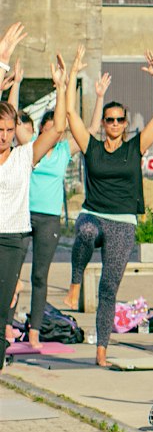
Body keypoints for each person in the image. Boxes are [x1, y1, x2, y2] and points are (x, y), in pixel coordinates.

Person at [60, 46, 153, 366]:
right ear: (104, 123)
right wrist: (74, 75)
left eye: (121, 120)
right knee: (86, 232)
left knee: (109, 286)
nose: (116, 124)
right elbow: (69, 115)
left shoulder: (135, 146)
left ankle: (102, 350)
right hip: (93, 213)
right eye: (111, 120)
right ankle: (75, 283)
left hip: (123, 222)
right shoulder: (90, 146)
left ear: (125, 123)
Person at [0, 25, 66, 353]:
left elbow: (60, 130)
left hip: (14, 237)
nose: (3, 135)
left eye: (8, 130)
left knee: (3, 309)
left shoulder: (25, 156)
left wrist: (62, 87)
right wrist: (2, 60)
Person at [24, 80, 76, 349]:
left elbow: (82, 127)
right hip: (22, 215)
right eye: (48, 130)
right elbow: (12, 118)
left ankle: (35, 329)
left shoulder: (64, 151)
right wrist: (17, 82)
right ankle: (7, 325)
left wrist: (66, 87)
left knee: (40, 276)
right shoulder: (31, 146)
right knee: (9, 274)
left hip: (49, 219)